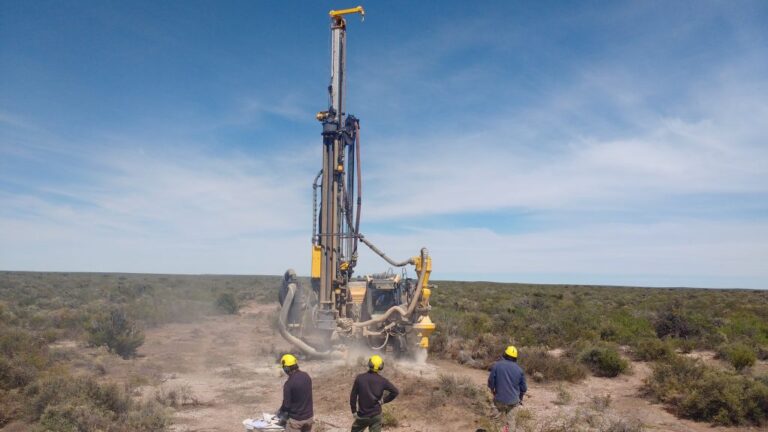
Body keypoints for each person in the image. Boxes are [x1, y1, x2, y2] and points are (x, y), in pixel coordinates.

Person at [349, 354, 399, 432]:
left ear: (369, 364)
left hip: (363, 415)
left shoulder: (360, 378)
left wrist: (354, 411)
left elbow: (353, 396)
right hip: (376, 415)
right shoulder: (383, 381)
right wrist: (383, 401)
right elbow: (395, 392)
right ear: (381, 367)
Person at [487, 345, 527, 432]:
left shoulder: (497, 366)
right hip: (513, 401)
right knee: (511, 423)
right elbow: (523, 388)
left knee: (495, 421)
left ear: (505, 355)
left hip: (499, 399)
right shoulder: (519, 370)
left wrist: (493, 391)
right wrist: (520, 399)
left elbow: (490, 381)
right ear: (515, 357)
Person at [276, 354, 314, 432]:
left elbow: (287, 406)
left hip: (296, 421)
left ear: (286, 368)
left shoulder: (289, 384)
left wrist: (280, 412)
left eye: (283, 368)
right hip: (309, 418)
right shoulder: (306, 376)